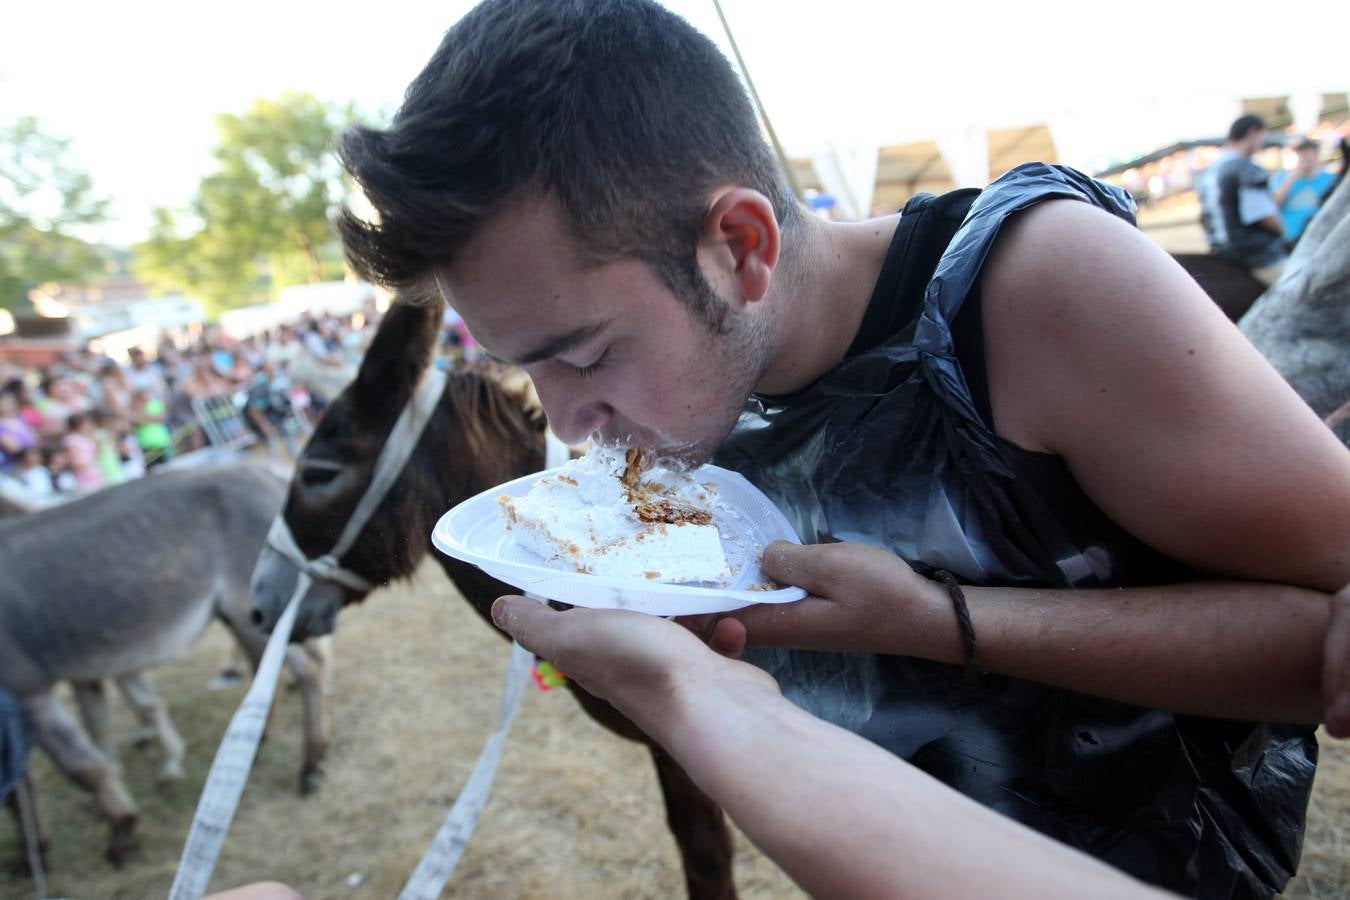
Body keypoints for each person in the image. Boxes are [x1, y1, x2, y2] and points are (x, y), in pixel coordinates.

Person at [335, 2, 1350, 896]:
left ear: (739, 246)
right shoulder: (687, 401)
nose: (567, 423)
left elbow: (1325, 637)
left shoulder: (1036, 291)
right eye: (528, 370)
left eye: (590, 354)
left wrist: (943, 622)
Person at [1195, 114, 1287, 283]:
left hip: (1220, 253)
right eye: (1262, 136)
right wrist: (1285, 233)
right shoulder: (1244, 168)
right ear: (1253, 133)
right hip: (1257, 255)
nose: (1262, 143)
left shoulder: (1208, 171)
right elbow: (1262, 215)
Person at [1271, 138, 1337, 246]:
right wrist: (1291, 178)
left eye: (1309, 157)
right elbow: (1272, 206)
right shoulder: (1282, 178)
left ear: (1316, 156)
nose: (1305, 161)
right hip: (1288, 239)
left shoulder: (1331, 179)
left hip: (1319, 239)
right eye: (1302, 157)